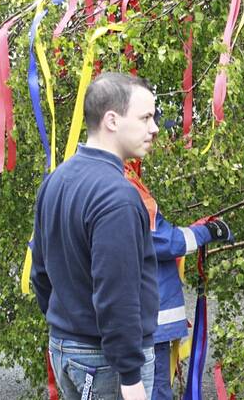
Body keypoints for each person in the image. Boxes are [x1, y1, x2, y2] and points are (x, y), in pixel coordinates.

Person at [30, 73, 160, 400]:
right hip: (105, 363)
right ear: (112, 121)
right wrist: (131, 380)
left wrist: (67, 324)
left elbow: (40, 273)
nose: (154, 127)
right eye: (145, 117)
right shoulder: (117, 198)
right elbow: (117, 295)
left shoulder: (56, 180)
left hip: (66, 349)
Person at [124, 160, 234, 400]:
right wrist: (208, 232)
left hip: (138, 320)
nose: (152, 132)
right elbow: (163, 241)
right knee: (155, 391)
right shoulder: (126, 185)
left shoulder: (111, 179)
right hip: (149, 322)